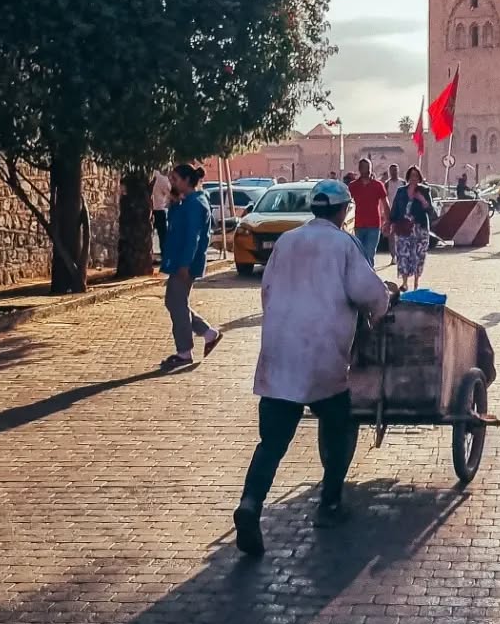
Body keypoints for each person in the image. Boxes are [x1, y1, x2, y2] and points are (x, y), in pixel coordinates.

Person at [233, 179, 391, 549]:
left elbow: (267, 290)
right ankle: (330, 503)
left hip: (279, 355)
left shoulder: (287, 240)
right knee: (337, 425)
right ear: (342, 210)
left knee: (271, 442)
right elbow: (370, 294)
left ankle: (250, 504)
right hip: (322, 356)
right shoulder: (344, 244)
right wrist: (378, 312)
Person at [160, 163, 220, 371]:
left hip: (185, 262)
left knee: (177, 304)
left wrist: (185, 264)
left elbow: (193, 237)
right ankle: (208, 333)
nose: (172, 183)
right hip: (178, 260)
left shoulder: (196, 203)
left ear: (187, 180)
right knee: (175, 302)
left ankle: (184, 352)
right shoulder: (187, 201)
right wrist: (175, 203)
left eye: (175, 179)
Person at [389, 165, 434, 288]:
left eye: (416, 175)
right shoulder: (401, 191)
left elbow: (431, 211)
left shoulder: (425, 191)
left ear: (419, 177)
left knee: (418, 256)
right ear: (408, 177)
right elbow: (395, 208)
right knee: (403, 254)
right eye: (412, 175)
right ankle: (404, 282)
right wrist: (391, 223)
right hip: (404, 228)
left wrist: (422, 200)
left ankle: (416, 281)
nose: (414, 178)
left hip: (420, 229)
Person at [349, 157, 388, 268]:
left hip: (374, 225)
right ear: (360, 169)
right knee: (359, 254)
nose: (367, 170)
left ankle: (369, 277)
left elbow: (385, 204)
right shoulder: (353, 186)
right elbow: (347, 204)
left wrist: (388, 221)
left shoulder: (378, 185)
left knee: (370, 253)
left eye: (368, 167)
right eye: (364, 168)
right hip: (358, 225)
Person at [151, 168, 172, 256]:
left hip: (148, 210)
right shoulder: (163, 179)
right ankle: (165, 255)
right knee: (163, 235)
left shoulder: (150, 176)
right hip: (160, 210)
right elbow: (170, 194)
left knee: (148, 235)